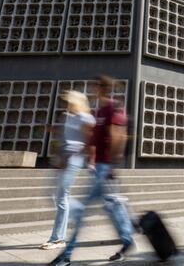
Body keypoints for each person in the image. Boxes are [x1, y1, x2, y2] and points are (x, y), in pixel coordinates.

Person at [50, 76, 134, 266]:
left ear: (100, 88)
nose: (91, 90)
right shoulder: (99, 111)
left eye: (93, 87)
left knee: (82, 210)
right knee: (113, 207)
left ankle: (66, 256)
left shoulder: (113, 108)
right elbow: (91, 141)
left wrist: (110, 165)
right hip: (99, 169)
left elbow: (119, 137)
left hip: (105, 169)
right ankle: (128, 240)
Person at [41, 90, 95, 250]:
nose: (67, 105)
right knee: (53, 195)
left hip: (73, 158)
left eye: (69, 102)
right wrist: (54, 132)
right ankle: (79, 212)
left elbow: (90, 141)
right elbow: (66, 137)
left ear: (77, 102)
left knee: (62, 198)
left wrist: (86, 160)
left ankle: (57, 239)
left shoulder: (86, 118)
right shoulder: (68, 117)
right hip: (63, 157)